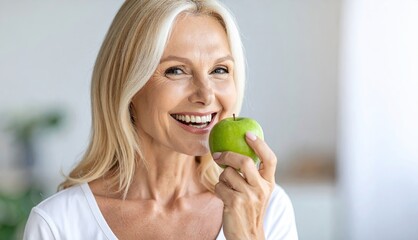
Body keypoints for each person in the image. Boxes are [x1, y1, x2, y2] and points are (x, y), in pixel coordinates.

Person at [23, 0, 298, 239]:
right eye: (176, 70)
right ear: (127, 85)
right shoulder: (59, 224)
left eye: (219, 69)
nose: (206, 94)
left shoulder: (267, 210)